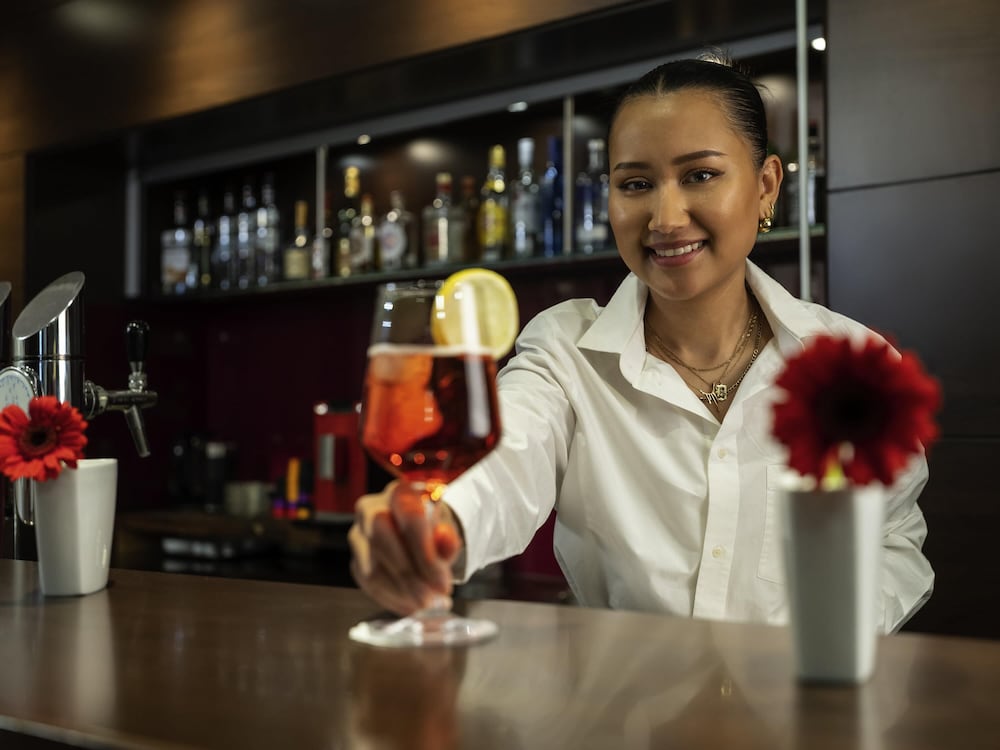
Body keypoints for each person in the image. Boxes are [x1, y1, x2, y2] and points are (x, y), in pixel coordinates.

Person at [348, 55, 934, 633]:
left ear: (765, 186)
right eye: (635, 184)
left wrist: (826, 643)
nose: (665, 217)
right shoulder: (565, 350)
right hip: (621, 695)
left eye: (700, 175)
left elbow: (893, 539)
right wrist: (438, 527)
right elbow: (509, 458)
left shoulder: (852, 366)